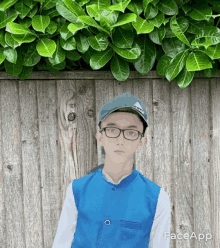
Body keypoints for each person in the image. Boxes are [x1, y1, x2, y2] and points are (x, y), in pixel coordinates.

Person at [52, 92, 170, 248]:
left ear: (142, 141)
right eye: (112, 130)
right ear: (100, 137)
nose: (120, 140)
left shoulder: (157, 198)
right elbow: (61, 244)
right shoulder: (77, 190)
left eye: (131, 132)